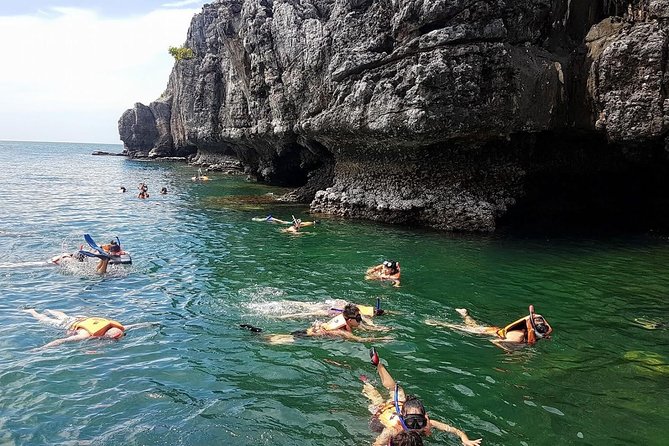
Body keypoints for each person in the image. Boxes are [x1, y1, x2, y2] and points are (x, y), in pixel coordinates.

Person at [363, 348, 482, 446]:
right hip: (382, 410)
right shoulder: (392, 431)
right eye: (411, 422)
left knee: (396, 389)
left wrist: (465, 439)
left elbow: (454, 430)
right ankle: (368, 381)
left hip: (398, 405)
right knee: (377, 398)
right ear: (402, 418)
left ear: (425, 418)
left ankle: (378, 367)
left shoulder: (427, 425)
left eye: (418, 422)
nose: (415, 427)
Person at [252, 304, 393, 344]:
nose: (360, 320)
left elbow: (364, 328)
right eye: (358, 318)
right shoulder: (342, 331)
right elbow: (360, 340)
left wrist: (381, 329)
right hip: (307, 336)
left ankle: (258, 334)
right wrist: (382, 339)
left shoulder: (345, 319)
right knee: (276, 340)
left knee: (280, 337)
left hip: (309, 331)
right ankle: (257, 336)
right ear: (350, 320)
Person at [425, 305, 553, 350]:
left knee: (472, 324)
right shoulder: (518, 336)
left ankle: (465, 314)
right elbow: (496, 341)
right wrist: (514, 348)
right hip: (489, 333)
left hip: (496, 329)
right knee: (462, 328)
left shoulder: (530, 331)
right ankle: (438, 323)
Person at [23, 309, 154, 349]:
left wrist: (149, 324)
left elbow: (134, 326)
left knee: (62, 315)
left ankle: (49, 310)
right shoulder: (85, 335)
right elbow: (60, 341)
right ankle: (32, 312)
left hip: (78, 318)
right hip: (68, 325)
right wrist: (41, 349)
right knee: (44, 319)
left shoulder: (116, 327)